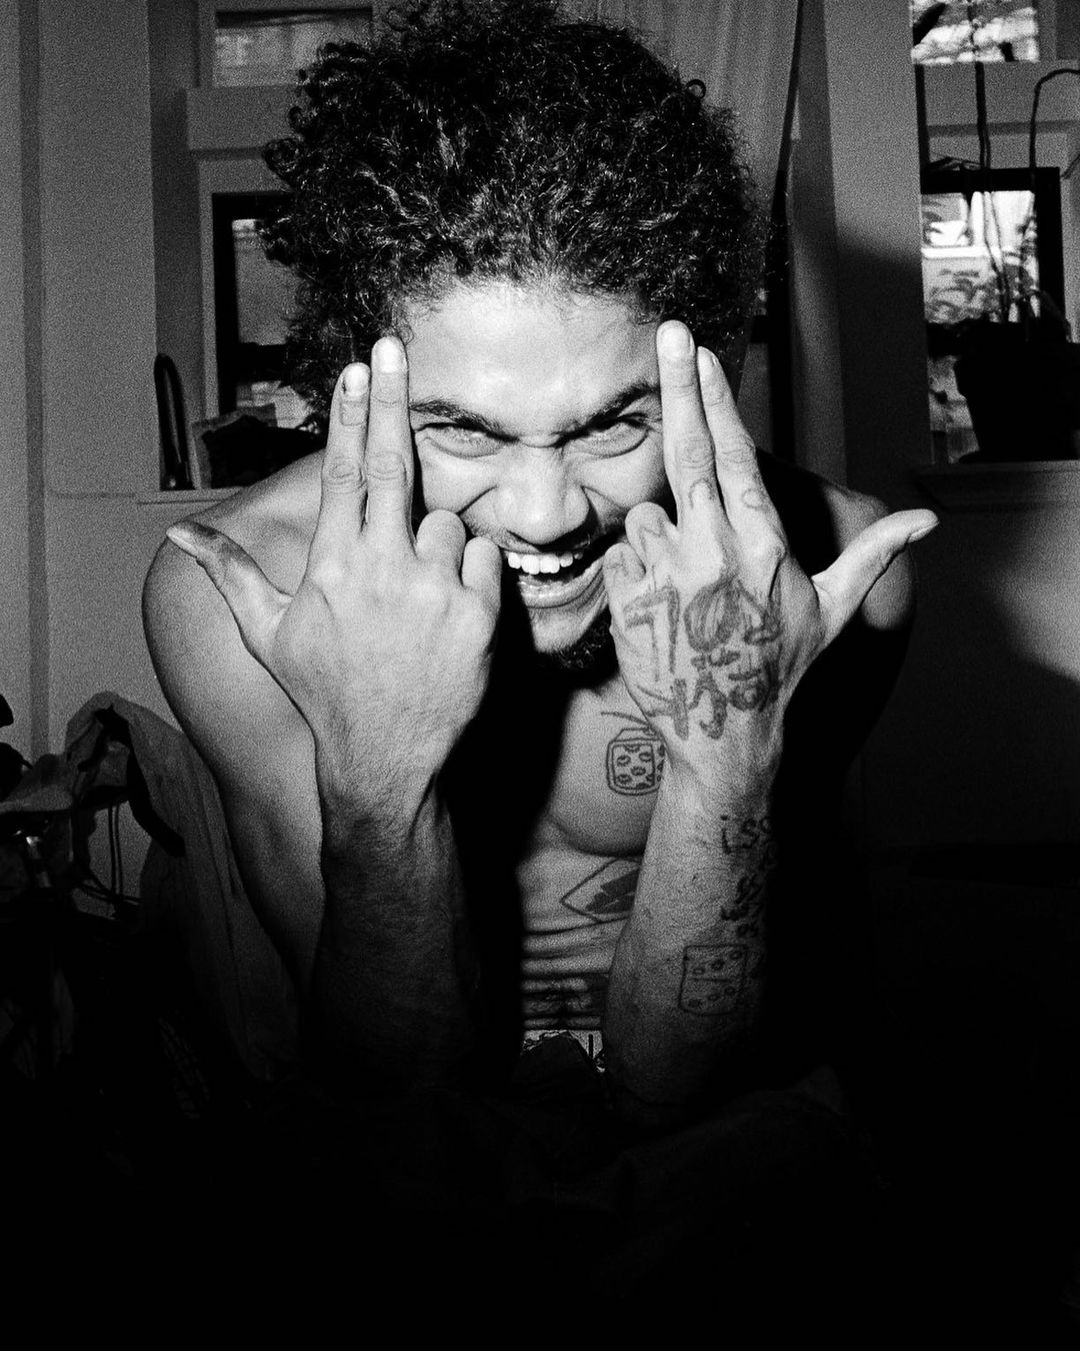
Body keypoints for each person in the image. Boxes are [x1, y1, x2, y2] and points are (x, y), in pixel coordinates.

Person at [143, 0, 935, 1291]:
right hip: (403, 1144)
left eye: (612, 426)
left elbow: (692, 1086)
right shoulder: (252, 597)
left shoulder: (833, 582)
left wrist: (727, 757)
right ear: (358, 389)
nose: (545, 512)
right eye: (462, 430)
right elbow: (397, 1093)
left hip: (709, 1124)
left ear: (704, 377)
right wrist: (379, 776)